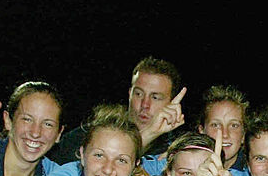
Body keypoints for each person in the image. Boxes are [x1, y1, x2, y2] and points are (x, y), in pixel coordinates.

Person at [50, 57, 185, 165]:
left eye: (155, 97)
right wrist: (147, 135)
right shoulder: (85, 136)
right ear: (129, 94)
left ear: (172, 103)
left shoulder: (177, 151)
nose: (145, 104)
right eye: (138, 94)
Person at [198, 85, 250, 176]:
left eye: (234, 125)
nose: (225, 134)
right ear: (202, 131)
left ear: (243, 135)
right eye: (216, 125)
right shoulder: (182, 168)